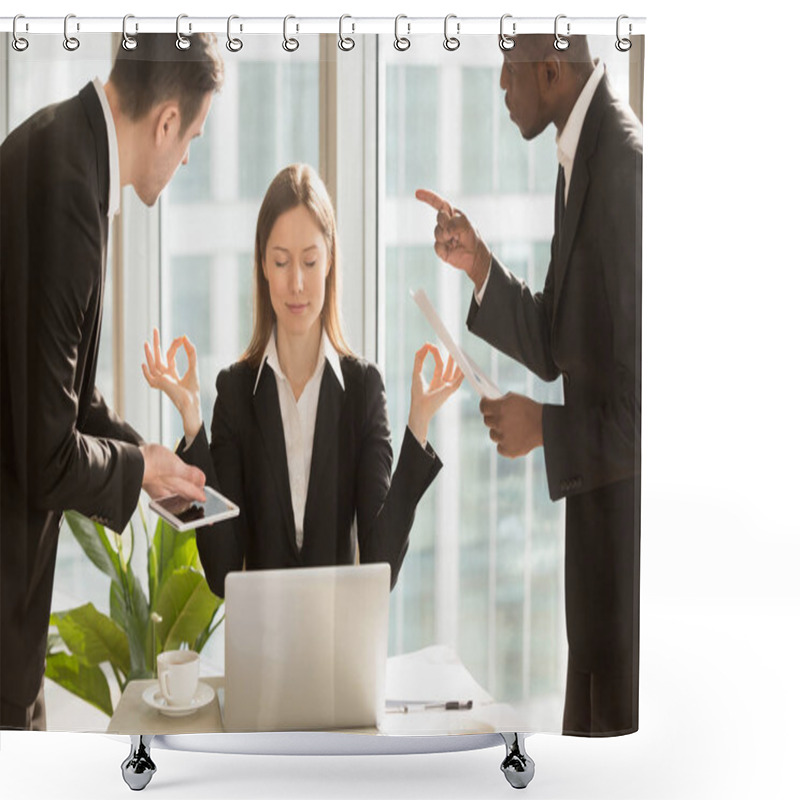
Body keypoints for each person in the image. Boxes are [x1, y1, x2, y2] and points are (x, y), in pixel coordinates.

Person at [417, 34, 641, 736]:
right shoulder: (580, 154)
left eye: (509, 70)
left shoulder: (626, 169)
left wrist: (545, 427)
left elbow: (656, 414)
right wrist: (479, 264)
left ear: (551, 71)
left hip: (628, 562)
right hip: (598, 553)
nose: (501, 86)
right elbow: (558, 344)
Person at [0, 33, 224, 731]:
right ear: (165, 122)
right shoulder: (73, 194)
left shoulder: (51, 140)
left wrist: (149, 464)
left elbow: (61, 391)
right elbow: (46, 457)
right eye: (192, 136)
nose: (187, 156)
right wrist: (136, 468)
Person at [142, 163, 463, 598]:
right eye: (281, 262)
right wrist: (193, 422)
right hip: (261, 652)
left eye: (310, 261)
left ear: (329, 260)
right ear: (263, 265)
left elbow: (379, 566)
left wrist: (419, 424)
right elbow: (221, 573)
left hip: (338, 649)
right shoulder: (235, 393)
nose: (296, 283)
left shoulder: (363, 390)